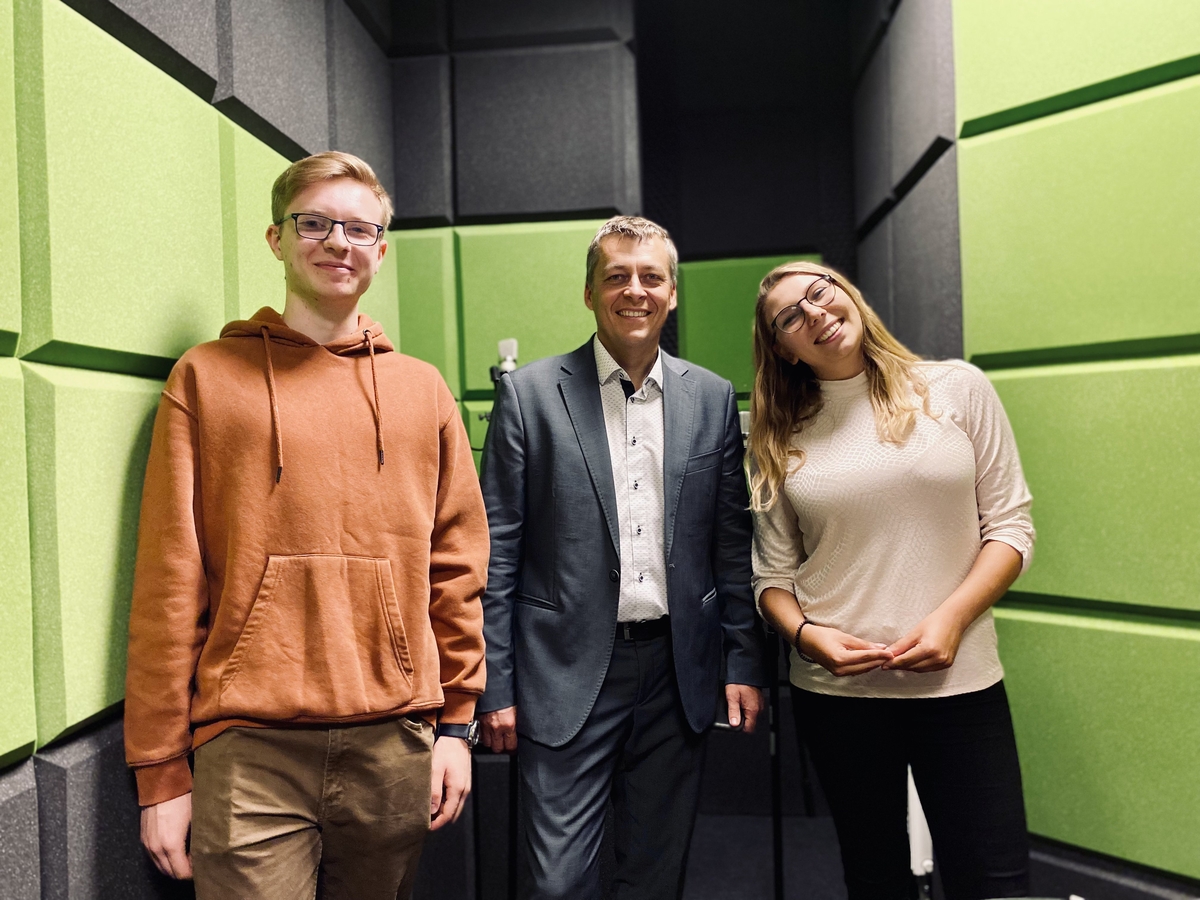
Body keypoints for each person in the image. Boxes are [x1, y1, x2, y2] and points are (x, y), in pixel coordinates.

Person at [124, 151, 489, 899]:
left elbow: (457, 569)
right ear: (277, 239)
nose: (338, 242)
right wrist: (159, 771)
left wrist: (457, 726)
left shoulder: (423, 391)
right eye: (315, 223)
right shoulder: (206, 378)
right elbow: (169, 581)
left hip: (394, 743)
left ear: (381, 250)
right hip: (248, 749)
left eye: (359, 228)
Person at [477, 216, 767, 899]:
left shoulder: (712, 397)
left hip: (677, 669)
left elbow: (730, 544)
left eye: (651, 277)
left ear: (673, 293)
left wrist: (742, 660)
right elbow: (498, 551)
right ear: (589, 293)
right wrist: (494, 685)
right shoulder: (528, 395)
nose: (635, 290)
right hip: (561, 669)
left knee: (654, 878)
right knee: (557, 884)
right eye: (616, 276)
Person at [748, 261, 1035, 899]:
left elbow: (1011, 529)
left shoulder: (957, 388)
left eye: (819, 293)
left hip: (959, 685)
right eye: (790, 316)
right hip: (837, 695)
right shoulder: (776, 436)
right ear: (784, 349)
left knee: (995, 883)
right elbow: (771, 576)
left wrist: (952, 619)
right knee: (876, 881)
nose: (814, 313)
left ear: (846, 294)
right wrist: (806, 637)